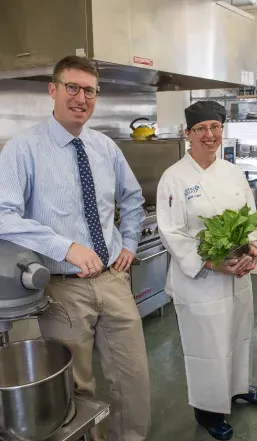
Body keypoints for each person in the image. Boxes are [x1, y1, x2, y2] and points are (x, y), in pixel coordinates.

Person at [0, 56, 151, 441]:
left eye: (90, 91)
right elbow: (4, 214)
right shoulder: (22, 149)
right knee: (76, 385)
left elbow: (132, 199)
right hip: (61, 289)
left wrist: (129, 242)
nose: (81, 98)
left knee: (132, 376)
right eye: (72, 87)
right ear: (53, 90)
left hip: (113, 280)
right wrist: (65, 247)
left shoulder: (106, 148)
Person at [156, 101, 257, 441]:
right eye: (201, 129)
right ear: (188, 134)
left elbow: (252, 217)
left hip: (238, 275)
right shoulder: (174, 178)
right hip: (201, 282)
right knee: (207, 346)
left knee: (237, 334)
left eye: (215, 128)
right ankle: (208, 410)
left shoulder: (232, 172)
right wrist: (209, 262)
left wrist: (254, 250)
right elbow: (171, 232)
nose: (209, 135)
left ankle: (235, 389)